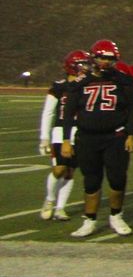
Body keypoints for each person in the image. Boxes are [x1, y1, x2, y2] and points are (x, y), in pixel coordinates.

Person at [63, 40, 133, 238]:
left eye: (110, 58)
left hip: (115, 136)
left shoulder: (122, 80)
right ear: (93, 58)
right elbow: (69, 112)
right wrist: (65, 139)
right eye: (102, 57)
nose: (106, 62)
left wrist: (131, 134)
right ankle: (89, 219)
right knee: (91, 180)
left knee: (116, 178)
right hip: (87, 137)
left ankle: (116, 215)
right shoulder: (81, 81)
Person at [40, 50, 89, 222]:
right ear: (72, 66)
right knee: (59, 169)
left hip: (80, 131)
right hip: (60, 132)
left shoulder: (86, 84)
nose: (86, 67)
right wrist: (44, 137)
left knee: (69, 172)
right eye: (82, 64)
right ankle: (50, 200)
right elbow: (48, 112)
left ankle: (60, 208)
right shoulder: (59, 87)